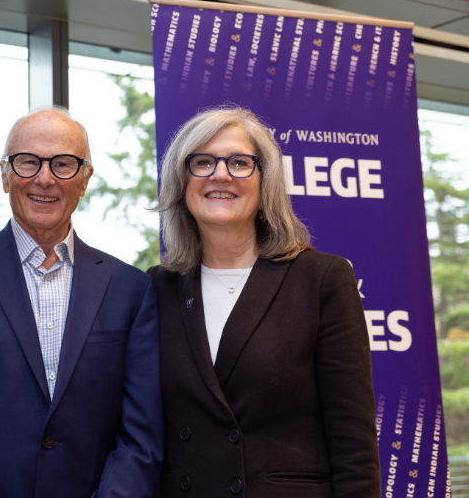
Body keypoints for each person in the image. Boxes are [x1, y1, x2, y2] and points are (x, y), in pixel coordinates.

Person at [0, 107, 164, 498]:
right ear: (5, 175)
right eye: (28, 163)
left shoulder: (132, 289)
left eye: (63, 164)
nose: (44, 178)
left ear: (85, 179)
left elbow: (142, 437)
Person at [148, 106, 380, 497]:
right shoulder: (158, 288)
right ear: (181, 181)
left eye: (240, 162)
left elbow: (352, 441)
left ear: (264, 182)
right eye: (202, 162)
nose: (220, 174)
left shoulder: (321, 279)